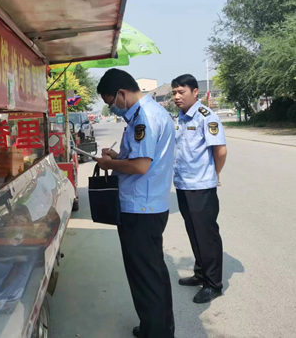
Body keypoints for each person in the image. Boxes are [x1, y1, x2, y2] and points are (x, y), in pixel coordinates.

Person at [95, 69, 175, 338]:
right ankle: (158, 327)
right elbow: (141, 159)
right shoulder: (148, 114)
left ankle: (156, 332)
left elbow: (140, 166)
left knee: (145, 276)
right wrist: (117, 157)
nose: (112, 108)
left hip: (141, 208)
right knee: (153, 273)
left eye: (110, 102)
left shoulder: (145, 118)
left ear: (121, 93)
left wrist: (109, 164)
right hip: (148, 205)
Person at [171, 74, 227, 304]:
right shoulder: (181, 118)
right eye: (174, 92)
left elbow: (220, 151)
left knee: (207, 235)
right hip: (184, 184)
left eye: (180, 92)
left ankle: (213, 284)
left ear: (195, 92)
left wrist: (215, 174)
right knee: (194, 231)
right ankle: (200, 273)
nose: (176, 96)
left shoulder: (207, 117)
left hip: (202, 186)